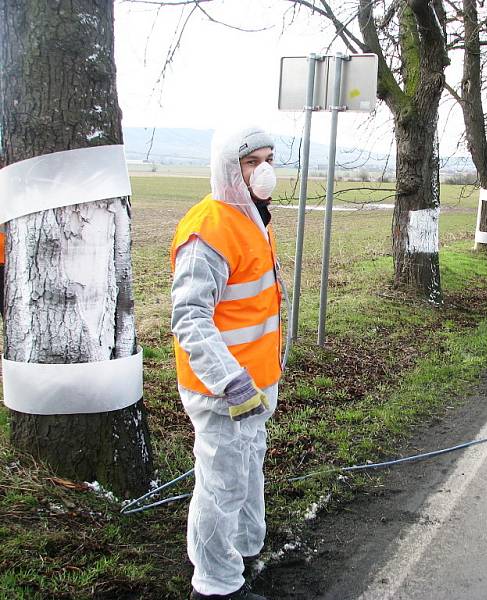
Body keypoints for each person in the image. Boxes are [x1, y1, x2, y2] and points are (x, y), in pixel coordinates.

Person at [170, 126, 282, 600]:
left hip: (253, 385)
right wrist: (229, 380)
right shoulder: (210, 227)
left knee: (246, 470)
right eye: (251, 161)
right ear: (228, 167)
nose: (264, 171)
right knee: (220, 485)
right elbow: (189, 317)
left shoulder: (251, 218)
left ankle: (242, 549)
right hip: (223, 390)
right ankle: (214, 586)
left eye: (269, 159)